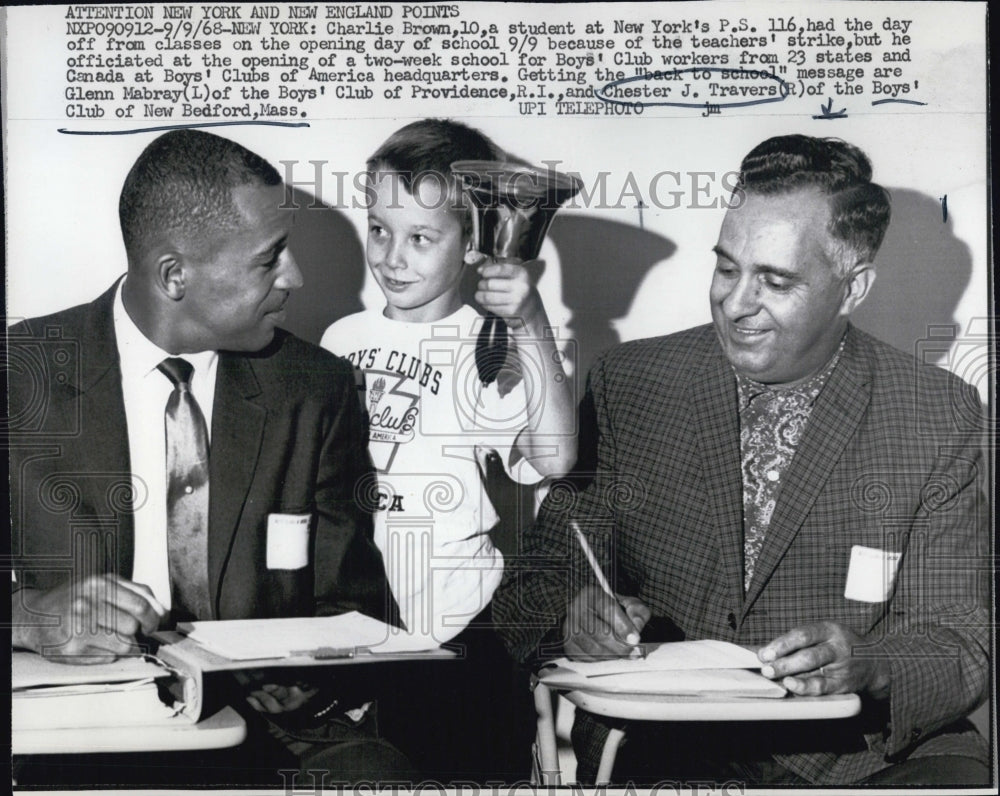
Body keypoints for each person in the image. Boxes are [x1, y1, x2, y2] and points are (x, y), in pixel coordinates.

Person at [494, 134, 990, 786]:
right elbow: (527, 592)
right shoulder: (633, 382)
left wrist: (871, 664)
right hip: (663, 748)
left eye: (774, 281)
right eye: (727, 268)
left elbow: (960, 638)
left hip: (853, 761)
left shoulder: (936, 412)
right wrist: (574, 622)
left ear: (853, 288)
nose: (735, 302)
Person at [9, 129, 410, 786]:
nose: (295, 277)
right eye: (268, 258)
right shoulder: (18, 374)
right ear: (174, 275)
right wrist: (29, 618)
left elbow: (348, 602)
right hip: (73, 727)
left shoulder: (315, 389)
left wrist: (310, 673)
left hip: (276, 733)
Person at [320, 118, 577, 781]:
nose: (391, 256)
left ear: (470, 245)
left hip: (457, 632)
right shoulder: (339, 337)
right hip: (354, 630)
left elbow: (555, 457)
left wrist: (532, 324)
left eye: (421, 238)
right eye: (379, 228)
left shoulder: (487, 344)